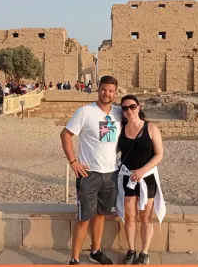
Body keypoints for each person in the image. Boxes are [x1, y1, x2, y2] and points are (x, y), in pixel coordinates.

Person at [60, 75, 122, 265]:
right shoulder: (85, 112)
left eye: (111, 91)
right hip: (89, 174)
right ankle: (75, 258)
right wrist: (73, 162)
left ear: (115, 92)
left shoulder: (119, 112)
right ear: (98, 89)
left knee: (101, 215)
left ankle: (96, 251)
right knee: (84, 217)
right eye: (104, 89)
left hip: (111, 173)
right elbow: (66, 134)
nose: (107, 93)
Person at [117, 95, 166, 265]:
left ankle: (144, 252)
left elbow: (159, 154)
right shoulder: (121, 129)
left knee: (146, 218)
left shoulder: (150, 128)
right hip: (127, 178)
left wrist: (142, 171)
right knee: (129, 217)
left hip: (146, 179)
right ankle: (131, 250)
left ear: (138, 107)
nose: (129, 110)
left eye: (132, 106)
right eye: (124, 108)